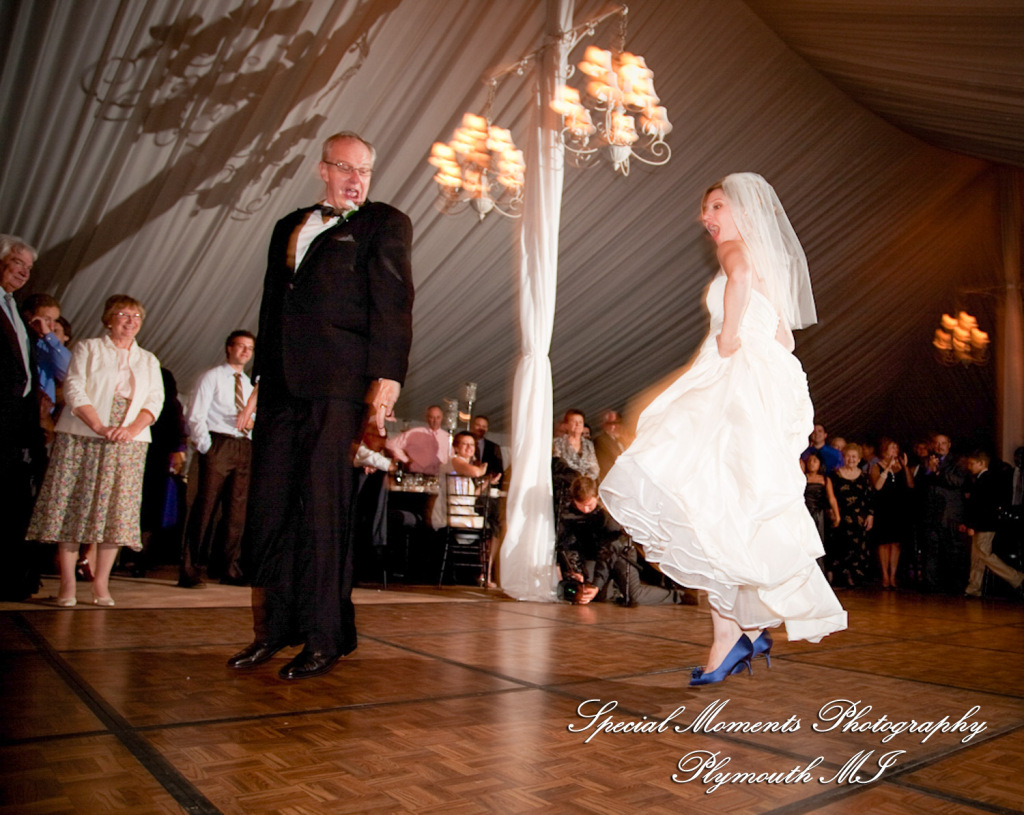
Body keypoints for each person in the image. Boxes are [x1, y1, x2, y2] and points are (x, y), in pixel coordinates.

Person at [601, 173, 846, 686]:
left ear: (741, 211)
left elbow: (735, 285)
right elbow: (783, 337)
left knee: (703, 501)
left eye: (715, 206)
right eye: (705, 210)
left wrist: (730, 338)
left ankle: (733, 634)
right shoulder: (768, 266)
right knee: (723, 507)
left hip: (735, 377)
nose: (707, 218)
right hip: (748, 382)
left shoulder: (736, 249)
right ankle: (742, 630)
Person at [227, 131, 413, 681]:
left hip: (338, 385)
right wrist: (260, 380)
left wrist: (385, 383)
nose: (356, 179)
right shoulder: (289, 225)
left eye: (365, 170)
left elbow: (395, 305)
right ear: (322, 169)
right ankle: (275, 630)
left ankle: (328, 637)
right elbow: (270, 306)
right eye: (345, 167)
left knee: (324, 509)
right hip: (282, 383)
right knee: (273, 507)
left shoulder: (384, 223)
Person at [26, 294, 164, 606]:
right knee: (74, 506)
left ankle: (101, 586)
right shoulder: (89, 348)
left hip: (129, 441)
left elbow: (155, 400)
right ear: (109, 319)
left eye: (136, 316)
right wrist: (100, 426)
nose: (130, 321)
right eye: (123, 315)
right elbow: (74, 388)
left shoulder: (148, 359)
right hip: (84, 434)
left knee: (115, 512)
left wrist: (129, 429)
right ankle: (68, 587)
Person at [179, 330, 256, 587]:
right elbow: (195, 414)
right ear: (228, 348)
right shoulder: (211, 377)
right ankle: (191, 569)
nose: (245, 352)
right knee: (204, 507)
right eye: (241, 346)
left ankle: (229, 568)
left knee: (236, 512)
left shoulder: (249, 385)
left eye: (250, 348)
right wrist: (206, 446)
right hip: (217, 444)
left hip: (243, 446)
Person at [0, 235, 46, 601]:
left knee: (12, 502)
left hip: (15, 423)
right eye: (18, 264)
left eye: (29, 268)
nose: (24, 273)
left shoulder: (15, 307)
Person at [431, 430, 499, 585]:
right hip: (452, 515)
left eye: (472, 445)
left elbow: (470, 498)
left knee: (495, 526)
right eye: (465, 444)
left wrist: (487, 482)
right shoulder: (454, 461)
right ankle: (485, 575)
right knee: (494, 526)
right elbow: (475, 472)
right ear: (456, 447)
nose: (469, 448)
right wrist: (482, 469)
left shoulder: (463, 467)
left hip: (464, 513)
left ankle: (485, 574)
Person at [962, 450, 1023, 597]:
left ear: (981, 463)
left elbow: (981, 507)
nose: (969, 467)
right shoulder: (984, 479)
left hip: (985, 524)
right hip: (983, 523)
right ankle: (974, 587)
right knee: (977, 556)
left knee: (983, 554)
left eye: (972, 464)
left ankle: (1016, 577)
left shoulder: (986, 480)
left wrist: (972, 525)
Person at [869, 438, 914, 589]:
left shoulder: (901, 466)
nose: (895, 450)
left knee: (896, 543)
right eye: (891, 447)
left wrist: (905, 467)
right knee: (883, 543)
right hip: (883, 508)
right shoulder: (877, 466)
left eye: (896, 447)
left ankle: (893, 576)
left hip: (898, 508)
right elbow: (877, 487)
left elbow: (910, 485)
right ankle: (885, 576)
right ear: (884, 449)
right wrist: (887, 469)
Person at [828, 443, 874, 587]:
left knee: (858, 549)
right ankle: (840, 578)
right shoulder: (835, 475)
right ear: (843, 457)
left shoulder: (864, 476)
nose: (851, 459)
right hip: (840, 518)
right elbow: (830, 497)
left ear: (859, 459)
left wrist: (870, 516)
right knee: (840, 548)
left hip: (859, 519)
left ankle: (855, 578)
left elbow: (870, 498)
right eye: (848, 456)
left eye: (854, 457)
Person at [386, 405, 448, 474]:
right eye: (432, 417)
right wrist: (405, 460)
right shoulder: (415, 433)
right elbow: (390, 444)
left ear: (442, 418)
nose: (435, 421)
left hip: (439, 476)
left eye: (438, 417)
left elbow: (450, 459)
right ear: (427, 418)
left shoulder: (447, 437)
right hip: (417, 474)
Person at [593, 409, 629, 481]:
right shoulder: (600, 440)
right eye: (611, 423)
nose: (615, 426)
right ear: (604, 425)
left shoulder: (623, 438)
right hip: (613, 478)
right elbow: (609, 462)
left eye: (618, 423)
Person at [470, 414, 504, 485]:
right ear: (472, 426)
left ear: (487, 429)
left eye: (484, 426)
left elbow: (498, 469)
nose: (481, 428)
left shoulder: (494, 447)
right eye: (478, 425)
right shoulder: (464, 444)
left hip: (485, 486)